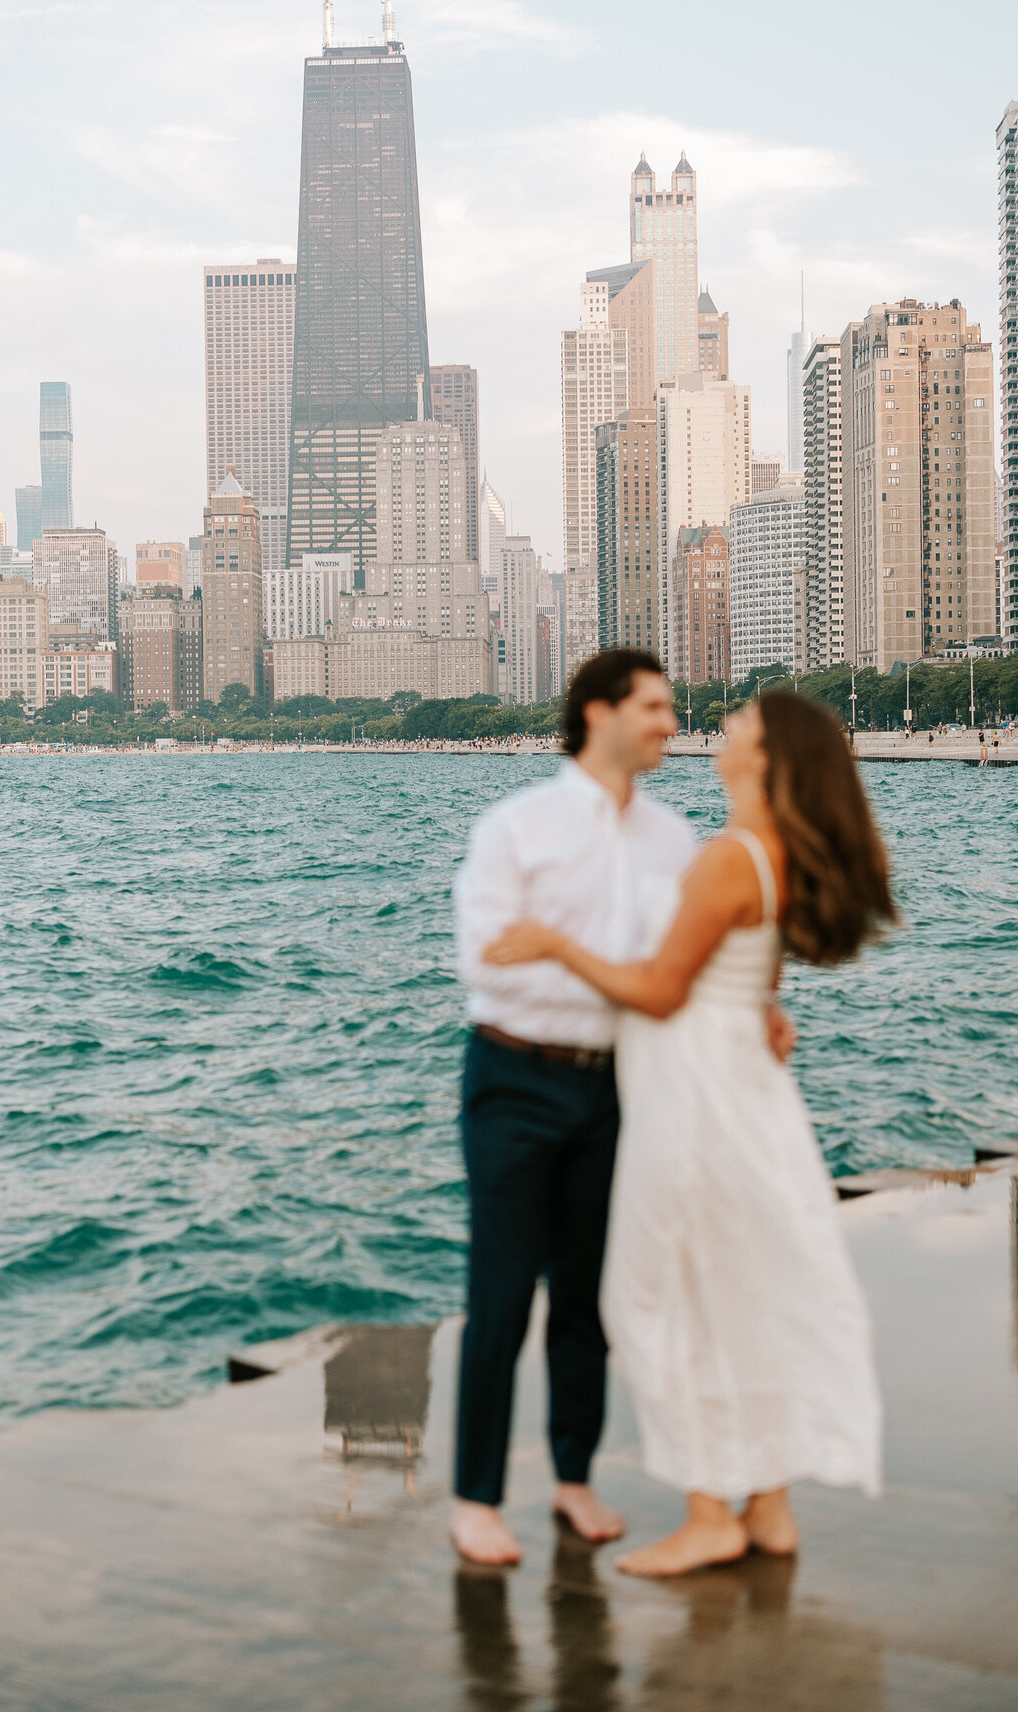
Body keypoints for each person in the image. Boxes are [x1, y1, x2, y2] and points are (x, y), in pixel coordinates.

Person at [485, 691, 894, 1576]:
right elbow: (749, 975)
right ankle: (768, 1504)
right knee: (741, 1289)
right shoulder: (773, 852)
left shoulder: (729, 856)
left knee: (660, 1295)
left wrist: (555, 945)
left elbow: (662, 991)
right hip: (744, 1090)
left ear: (766, 757)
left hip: (693, 1098)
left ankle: (711, 1512)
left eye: (741, 722)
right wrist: (766, 1008)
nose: (723, 729)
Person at [449, 651, 694, 1567]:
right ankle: (476, 1498)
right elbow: (484, 959)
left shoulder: (674, 839)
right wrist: (620, 977)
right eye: (655, 706)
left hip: (616, 1083)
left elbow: (678, 972)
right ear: (599, 713)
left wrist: (558, 949)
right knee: (503, 1293)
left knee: (588, 1296)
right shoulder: (518, 827)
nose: (671, 724)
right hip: (513, 1077)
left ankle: (574, 1477)